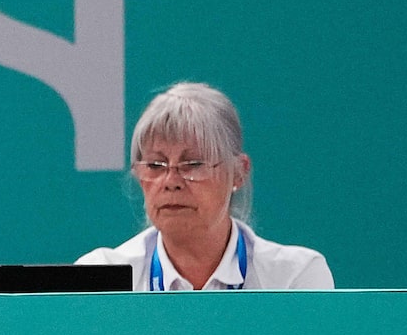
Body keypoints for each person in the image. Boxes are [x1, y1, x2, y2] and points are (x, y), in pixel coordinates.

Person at [79, 83, 333, 292]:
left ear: (239, 172)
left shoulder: (294, 278)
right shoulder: (100, 277)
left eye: (193, 164)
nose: (171, 182)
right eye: (156, 165)